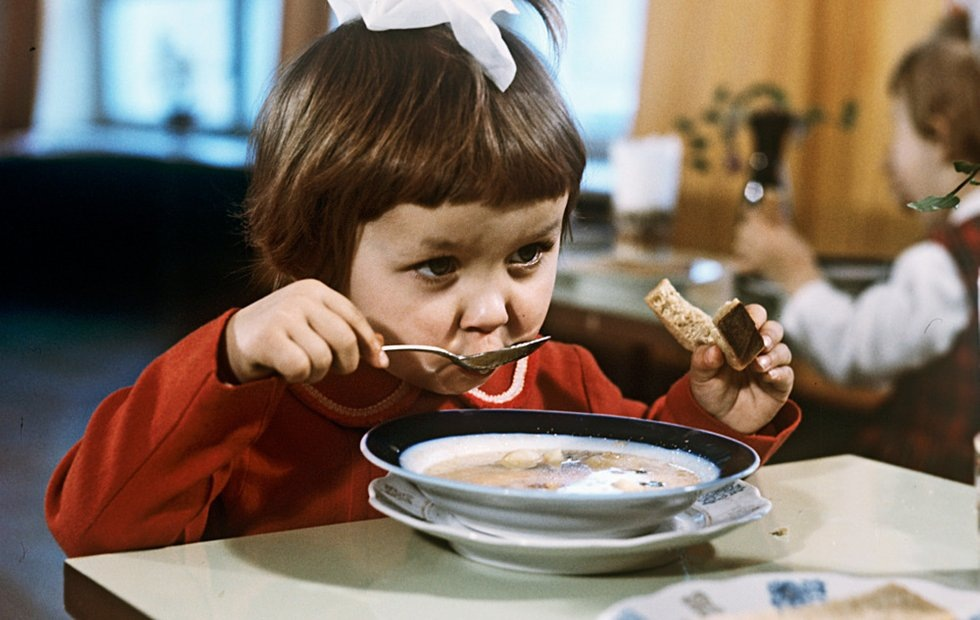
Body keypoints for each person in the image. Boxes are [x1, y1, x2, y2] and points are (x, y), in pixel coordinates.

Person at [46, 0, 800, 559]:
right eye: (439, 266)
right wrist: (228, 358)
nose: (493, 312)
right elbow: (94, 529)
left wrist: (715, 421)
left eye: (528, 255)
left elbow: (645, 496)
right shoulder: (253, 403)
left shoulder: (562, 382)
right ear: (311, 253)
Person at [733, 10, 979, 483]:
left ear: (939, 132)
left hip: (920, 486)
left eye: (896, 130)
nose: (887, 158)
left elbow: (853, 354)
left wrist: (797, 274)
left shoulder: (941, 265)